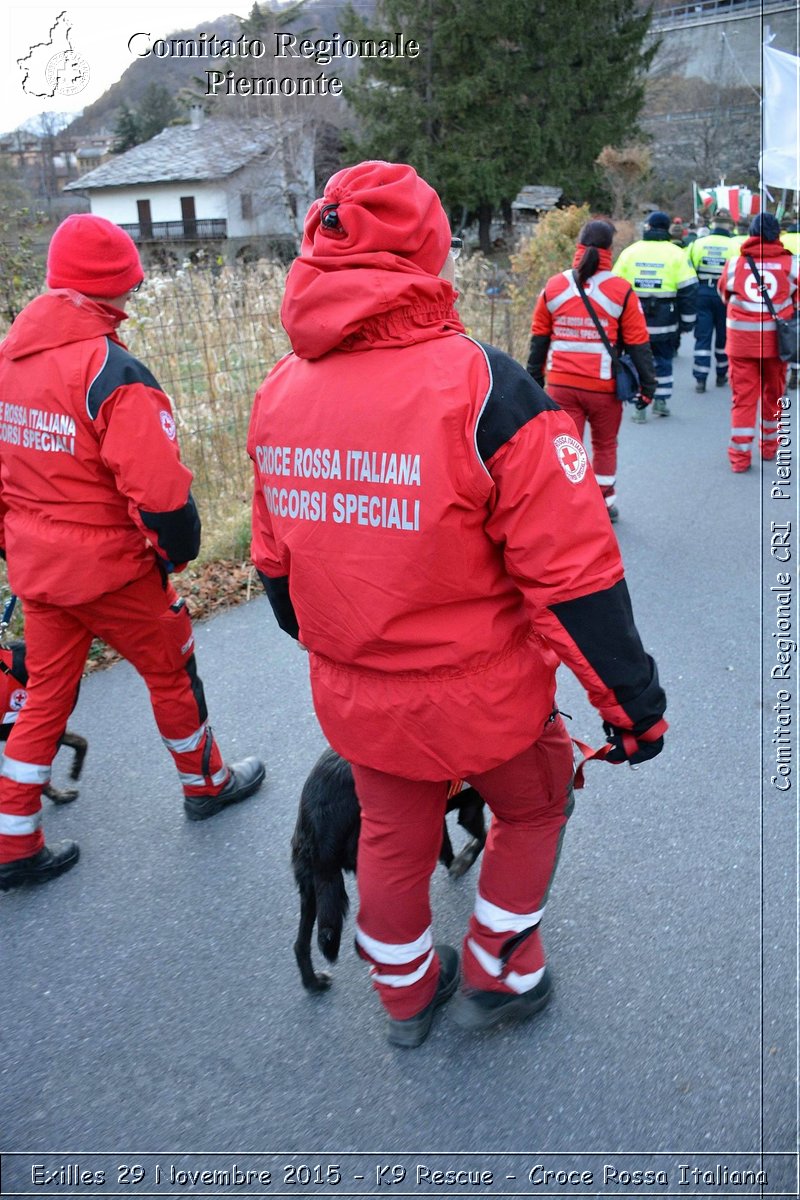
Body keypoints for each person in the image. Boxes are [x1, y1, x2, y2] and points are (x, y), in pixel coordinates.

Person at [248, 161, 667, 1047]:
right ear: (429, 251)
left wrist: (345, 646)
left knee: (394, 834)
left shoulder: (280, 392)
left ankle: (404, 996)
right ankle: (500, 965)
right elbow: (575, 577)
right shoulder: (488, 389)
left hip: (359, 695)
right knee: (538, 803)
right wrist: (632, 707)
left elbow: (277, 570)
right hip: (485, 699)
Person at [0, 214, 265, 890]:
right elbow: (160, 494)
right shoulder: (112, 371)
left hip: (39, 569)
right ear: (115, 287)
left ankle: (13, 839)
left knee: (46, 697)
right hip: (114, 571)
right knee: (172, 675)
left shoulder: (10, 359)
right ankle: (206, 784)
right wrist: (176, 553)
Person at [526, 218, 657, 523]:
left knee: (566, 447)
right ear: (611, 249)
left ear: (579, 247)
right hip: (603, 388)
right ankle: (604, 502)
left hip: (560, 384)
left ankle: (566, 502)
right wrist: (648, 387)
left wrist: (534, 378)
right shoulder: (621, 290)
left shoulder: (554, 286)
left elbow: (539, 338)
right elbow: (638, 344)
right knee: (605, 444)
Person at [718, 212, 799, 471]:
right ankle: (769, 447)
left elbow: (724, 295)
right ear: (778, 235)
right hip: (777, 344)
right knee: (773, 396)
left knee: (743, 400)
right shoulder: (792, 265)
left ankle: (739, 459)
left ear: (751, 234)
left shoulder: (733, 265)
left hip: (741, 344)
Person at [613, 211, 698, 421]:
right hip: (666, 320)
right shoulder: (677, 253)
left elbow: (613, 287)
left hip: (634, 320)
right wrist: (687, 321)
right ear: (667, 229)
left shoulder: (630, 252)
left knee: (636, 361)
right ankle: (660, 401)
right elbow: (689, 291)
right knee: (663, 360)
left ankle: (639, 407)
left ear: (648, 227)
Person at [686, 208, 737, 392]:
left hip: (702, 292)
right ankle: (721, 374)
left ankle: (700, 379)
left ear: (712, 225)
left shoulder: (698, 244)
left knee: (703, 336)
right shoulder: (735, 246)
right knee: (724, 337)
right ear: (729, 226)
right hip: (725, 295)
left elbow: (688, 271)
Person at [780, 215, 800, 389]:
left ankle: (784, 376)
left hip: (788, 295)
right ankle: (795, 372)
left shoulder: (781, 240)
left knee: (787, 336)